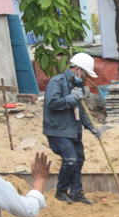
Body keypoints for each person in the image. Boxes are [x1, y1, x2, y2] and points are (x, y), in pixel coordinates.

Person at [42, 51, 102, 204]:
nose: (84, 78)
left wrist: (91, 127)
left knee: (79, 160)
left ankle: (76, 192)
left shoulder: (78, 86)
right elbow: (52, 103)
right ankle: (61, 191)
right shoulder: (57, 82)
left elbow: (81, 111)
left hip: (73, 130)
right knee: (70, 160)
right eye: (84, 74)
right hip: (58, 131)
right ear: (78, 69)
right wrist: (70, 98)